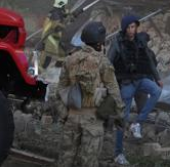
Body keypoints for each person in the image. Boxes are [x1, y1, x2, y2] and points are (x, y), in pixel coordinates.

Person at [55, 22, 123, 167]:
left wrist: (64, 114)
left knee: (65, 159)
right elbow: (114, 92)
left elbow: (60, 90)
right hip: (93, 119)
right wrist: (120, 116)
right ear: (100, 43)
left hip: (72, 117)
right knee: (89, 162)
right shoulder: (103, 62)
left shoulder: (69, 59)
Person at [106, 14, 162, 165]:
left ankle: (137, 123)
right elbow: (107, 64)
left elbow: (150, 62)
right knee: (121, 119)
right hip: (126, 83)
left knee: (156, 91)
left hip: (140, 79)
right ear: (125, 28)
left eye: (134, 26)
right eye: (130, 27)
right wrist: (108, 84)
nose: (133, 30)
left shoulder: (140, 41)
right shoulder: (117, 43)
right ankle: (118, 153)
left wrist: (158, 78)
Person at [40, 0, 70, 70]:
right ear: (62, 5)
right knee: (48, 55)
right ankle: (40, 71)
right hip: (50, 36)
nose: (66, 6)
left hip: (52, 36)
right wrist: (67, 23)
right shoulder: (55, 13)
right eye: (65, 5)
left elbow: (63, 15)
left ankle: (57, 69)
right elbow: (56, 26)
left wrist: (67, 15)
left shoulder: (56, 12)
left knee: (63, 53)